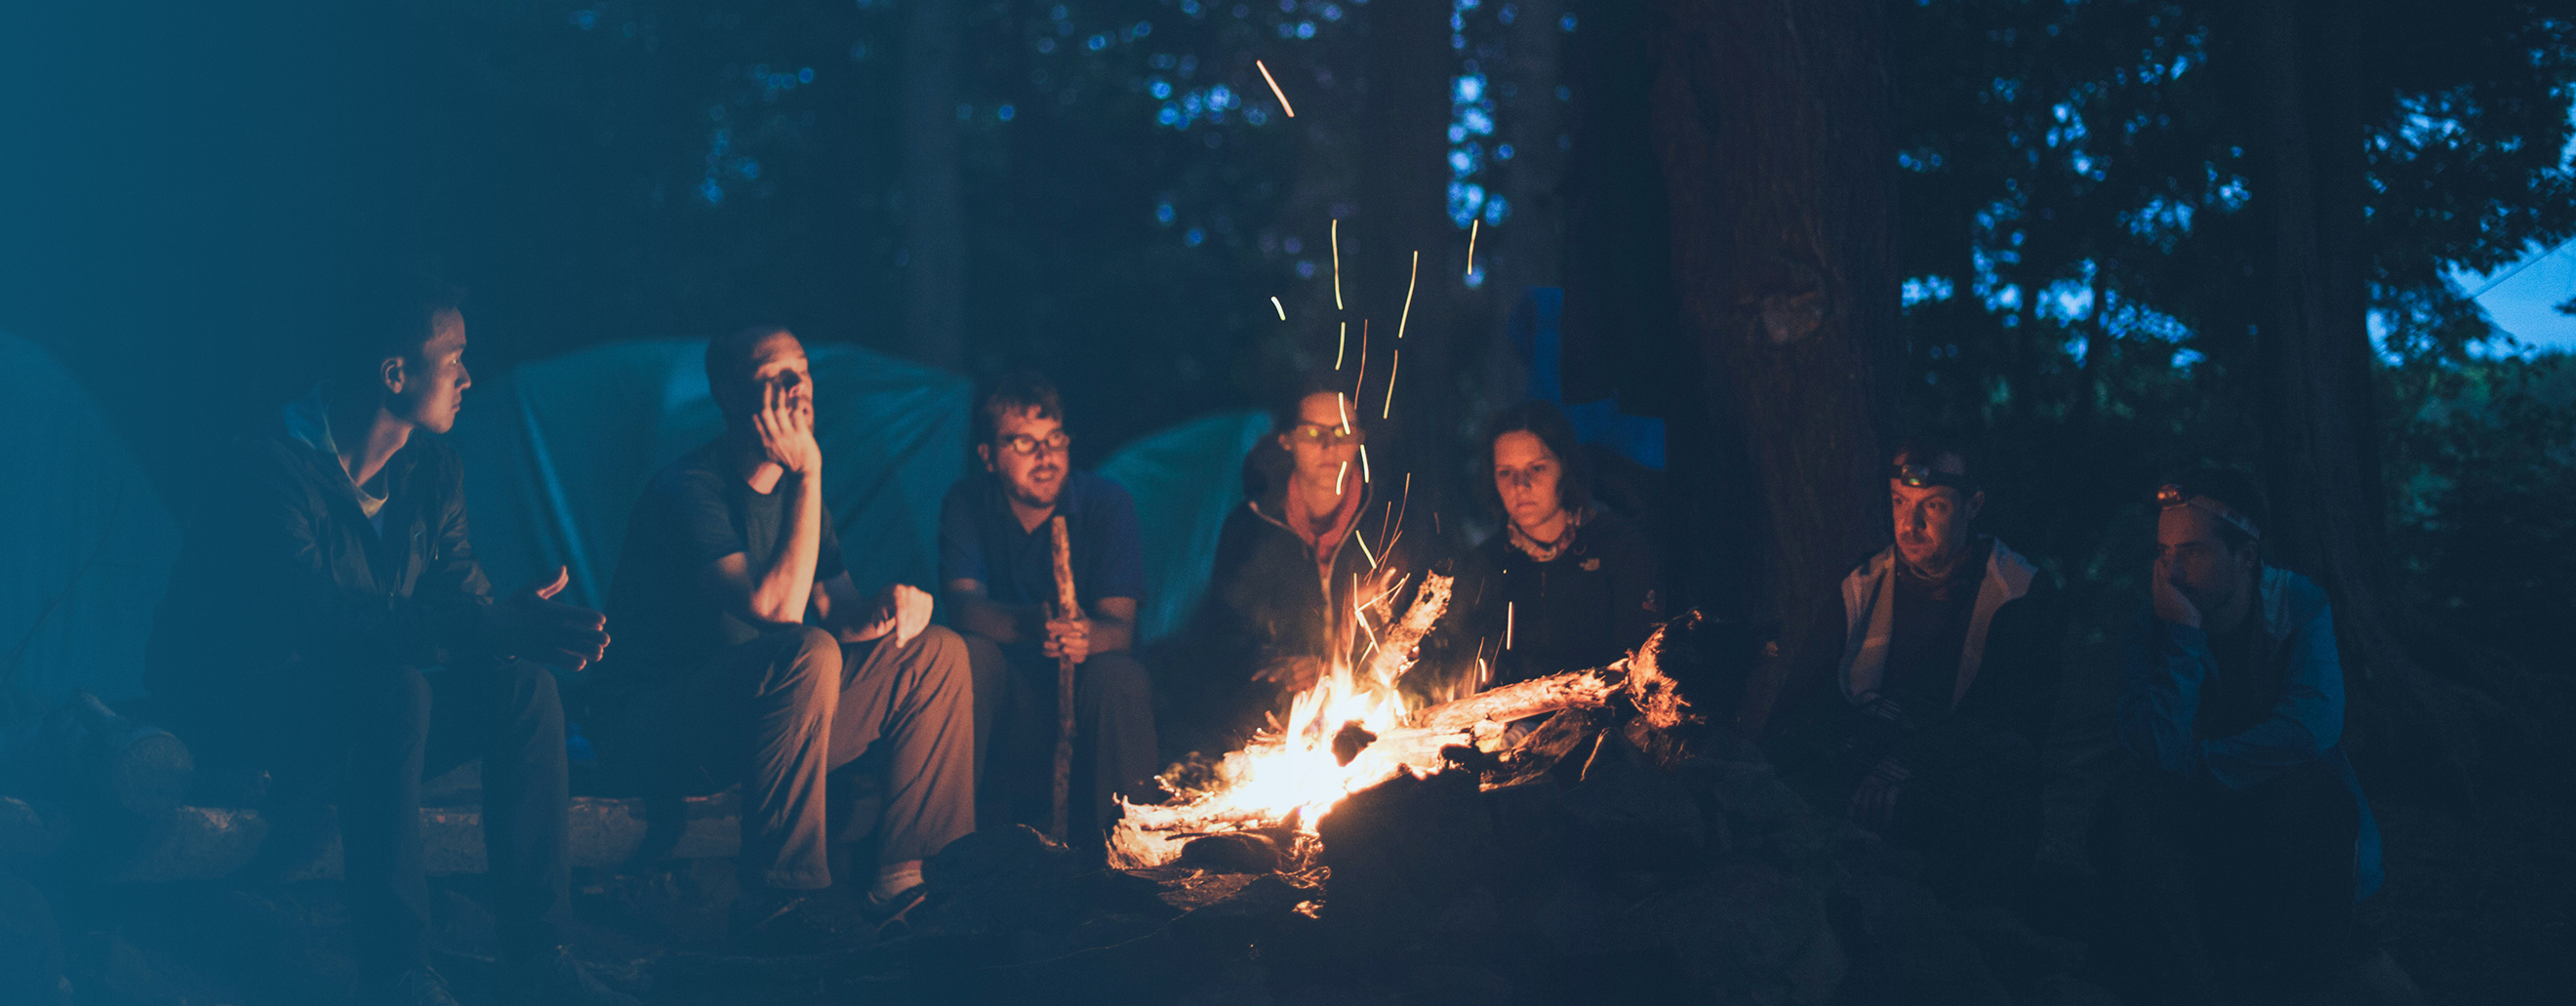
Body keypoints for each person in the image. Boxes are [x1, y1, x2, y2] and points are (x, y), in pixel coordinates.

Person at [144, 274, 631, 1006]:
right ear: (395, 373)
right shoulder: (271, 469)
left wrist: (511, 629)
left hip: (362, 714)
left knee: (521, 686)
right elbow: (321, 622)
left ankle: (540, 955)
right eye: (455, 357)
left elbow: (457, 603)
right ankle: (399, 971)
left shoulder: (431, 471)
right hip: (251, 721)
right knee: (395, 688)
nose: (469, 376)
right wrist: (485, 624)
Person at [590, 326, 974, 946]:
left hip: (769, 720)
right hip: (666, 733)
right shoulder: (688, 490)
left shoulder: (801, 498)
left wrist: (891, 608)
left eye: (803, 371)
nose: (798, 387)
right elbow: (777, 608)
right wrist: (809, 471)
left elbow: (836, 607)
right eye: (776, 375)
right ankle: (782, 895)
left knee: (936, 654)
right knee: (806, 651)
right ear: (729, 394)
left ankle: (907, 880)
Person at [2101, 470, 2381, 999]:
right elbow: (2153, 749)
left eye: (2193, 553)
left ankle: (2314, 974)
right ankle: (2190, 978)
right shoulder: (2154, 623)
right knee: (2128, 811)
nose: (2172, 571)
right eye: (2163, 552)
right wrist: (2181, 638)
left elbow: (2311, 725)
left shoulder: (2298, 605)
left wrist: (2205, 764)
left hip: (2267, 794)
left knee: (2317, 796)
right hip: (2186, 807)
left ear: (2246, 556)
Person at [1766, 437, 2062, 905]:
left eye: (1935, 506)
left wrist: (1910, 763)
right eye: (1899, 503)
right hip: (1864, 769)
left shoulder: (2018, 593)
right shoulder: (1864, 584)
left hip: (1956, 778)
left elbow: (2015, 723)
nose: (1911, 524)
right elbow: (1801, 700)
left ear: (1973, 506)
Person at [938, 371, 1156, 846]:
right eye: (1023, 443)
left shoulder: (1105, 504)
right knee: (967, 656)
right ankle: (947, 850)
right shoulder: (968, 503)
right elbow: (963, 607)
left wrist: (1083, 636)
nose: (1045, 457)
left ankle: (1131, 854)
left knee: (1120, 676)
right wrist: (1031, 626)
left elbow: (1119, 628)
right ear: (988, 457)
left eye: (1055, 439)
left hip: (1084, 686)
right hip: (1008, 691)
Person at [1174, 381, 1431, 747]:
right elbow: (1222, 638)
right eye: (1313, 433)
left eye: (1343, 432)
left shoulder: (1394, 521)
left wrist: (1347, 672)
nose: (1330, 447)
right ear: (1286, 439)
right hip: (1279, 715)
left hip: (1378, 707)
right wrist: (1279, 664)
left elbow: (1426, 626)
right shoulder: (1251, 527)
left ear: (1360, 439)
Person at [1423, 401, 1661, 698]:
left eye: (1537, 468)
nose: (1521, 485)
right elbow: (1456, 667)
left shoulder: (1618, 547)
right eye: (1506, 472)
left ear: (1565, 466)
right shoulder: (1486, 566)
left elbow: (1645, 658)